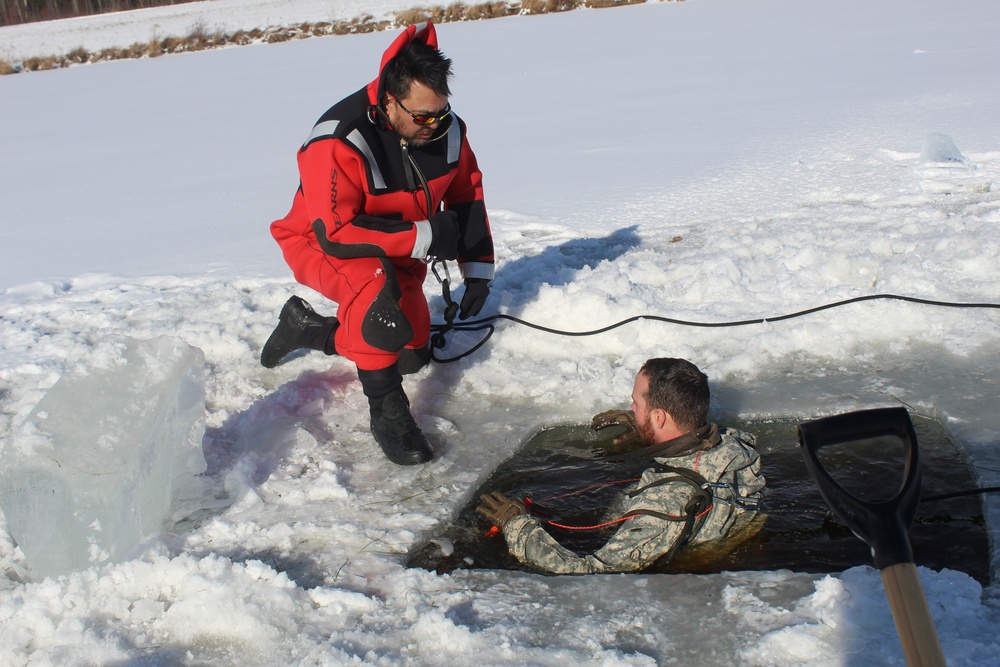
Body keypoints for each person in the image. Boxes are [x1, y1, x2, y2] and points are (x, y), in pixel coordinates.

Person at [261, 22, 494, 466]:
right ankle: (387, 413)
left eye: (441, 113)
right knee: (376, 299)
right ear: (390, 98)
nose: (434, 125)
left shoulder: (447, 130)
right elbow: (337, 231)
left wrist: (478, 267)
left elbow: (467, 193)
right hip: (324, 244)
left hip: (399, 253)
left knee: (409, 353)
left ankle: (309, 329)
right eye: (421, 116)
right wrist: (425, 236)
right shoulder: (336, 140)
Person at [476, 358, 765, 574]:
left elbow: (591, 572)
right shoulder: (732, 444)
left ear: (661, 418)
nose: (632, 409)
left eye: (636, 404)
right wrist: (644, 430)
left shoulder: (664, 506)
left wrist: (517, 526)